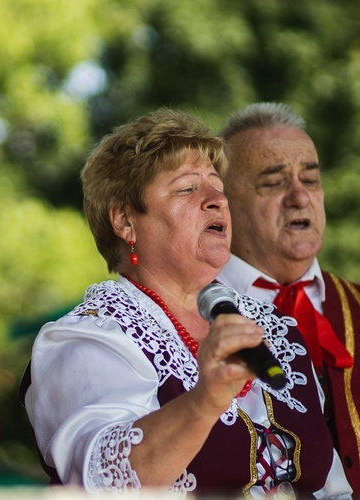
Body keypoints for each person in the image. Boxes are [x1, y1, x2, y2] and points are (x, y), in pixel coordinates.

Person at [22, 108, 352, 497]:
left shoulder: (275, 330)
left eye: (218, 186)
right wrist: (205, 400)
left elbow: (333, 489)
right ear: (125, 221)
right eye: (186, 188)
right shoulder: (88, 339)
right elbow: (106, 483)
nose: (216, 200)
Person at [217, 102, 360, 493]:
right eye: (273, 182)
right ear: (224, 203)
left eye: (311, 180)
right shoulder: (184, 318)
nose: (299, 197)